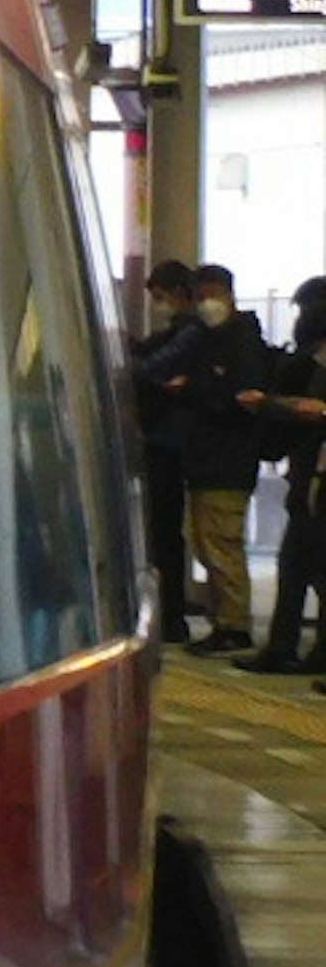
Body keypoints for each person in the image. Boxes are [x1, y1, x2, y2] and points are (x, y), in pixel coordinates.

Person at [144, 260, 271, 655]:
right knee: (206, 544)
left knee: (221, 543)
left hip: (229, 459)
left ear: (227, 294)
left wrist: (193, 388)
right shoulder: (213, 341)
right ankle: (224, 621)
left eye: (208, 296)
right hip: (206, 460)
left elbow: (239, 397)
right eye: (199, 298)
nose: (204, 305)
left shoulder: (243, 342)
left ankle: (235, 625)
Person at [237, 277, 326, 674]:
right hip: (308, 477)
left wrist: (270, 404)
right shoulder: (309, 359)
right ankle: (284, 648)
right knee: (294, 565)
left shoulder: (317, 360)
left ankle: (294, 650)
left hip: (317, 480)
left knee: (309, 565)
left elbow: (316, 409)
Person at [135, 258, 199, 643]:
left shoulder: (190, 333)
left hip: (168, 444)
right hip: (167, 441)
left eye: (160, 297)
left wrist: (129, 361)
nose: (157, 304)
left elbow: (153, 367)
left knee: (165, 534)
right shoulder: (179, 331)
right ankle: (172, 615)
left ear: (177, 293)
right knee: (165, 534)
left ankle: (173, 616)